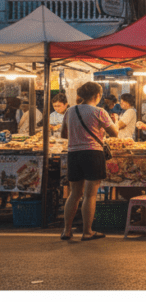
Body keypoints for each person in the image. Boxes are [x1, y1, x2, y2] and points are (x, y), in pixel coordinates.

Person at [60, 81, 117, 241]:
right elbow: (114, 133)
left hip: (73, 154)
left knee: (74, 194)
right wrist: (115, 122)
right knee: (90, 195)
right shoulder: (99, 112)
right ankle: (87, 231)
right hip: (92, 153)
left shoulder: (70, 111)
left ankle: (67, 231)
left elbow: (63, 135)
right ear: (97, 95)